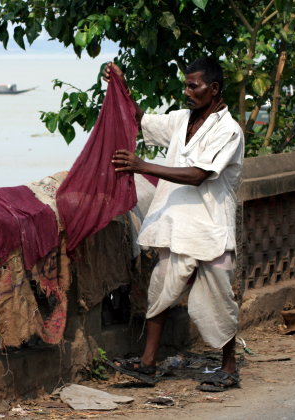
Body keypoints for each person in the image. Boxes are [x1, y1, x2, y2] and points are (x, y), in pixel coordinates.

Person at [103, 57, 244, 392]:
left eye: (193, 86)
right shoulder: (183, 121)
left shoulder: (229, 131)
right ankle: (148, 364)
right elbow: (140, 119)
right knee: (161, 292)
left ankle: (229, 366)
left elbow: (198, 175)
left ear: (214, 89)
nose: (187, 92)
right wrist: (120, 84)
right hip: (178, 226)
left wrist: (141, 165)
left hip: (211, 228)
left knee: (219, 298)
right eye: (185, 85)